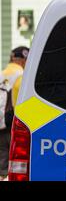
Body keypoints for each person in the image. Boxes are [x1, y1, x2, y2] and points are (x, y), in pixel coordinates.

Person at [0, 46, 29, 181]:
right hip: (13, 125)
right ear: (24, 60)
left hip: (0, 125)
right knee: (16, 167)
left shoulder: (1, 74)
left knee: (2, 168)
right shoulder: (22, 76)